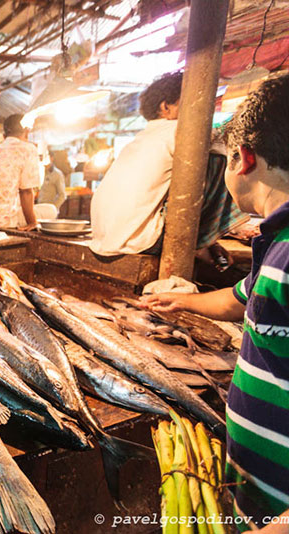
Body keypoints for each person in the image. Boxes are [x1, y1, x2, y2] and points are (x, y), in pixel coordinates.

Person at [139, 74, 289, 532]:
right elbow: (246, 302)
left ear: (242, 159)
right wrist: (186, 302)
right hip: (258, 496)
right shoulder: (278, 242)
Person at [90, 71, 248, 258]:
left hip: (104, 239)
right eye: (194, 101)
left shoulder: (140, 138)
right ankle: (201, 241)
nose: (205, 108)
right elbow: (233, 147)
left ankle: (204, 242)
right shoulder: (182, 130)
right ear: (166, 107)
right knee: (225, 160)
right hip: (142, 242)